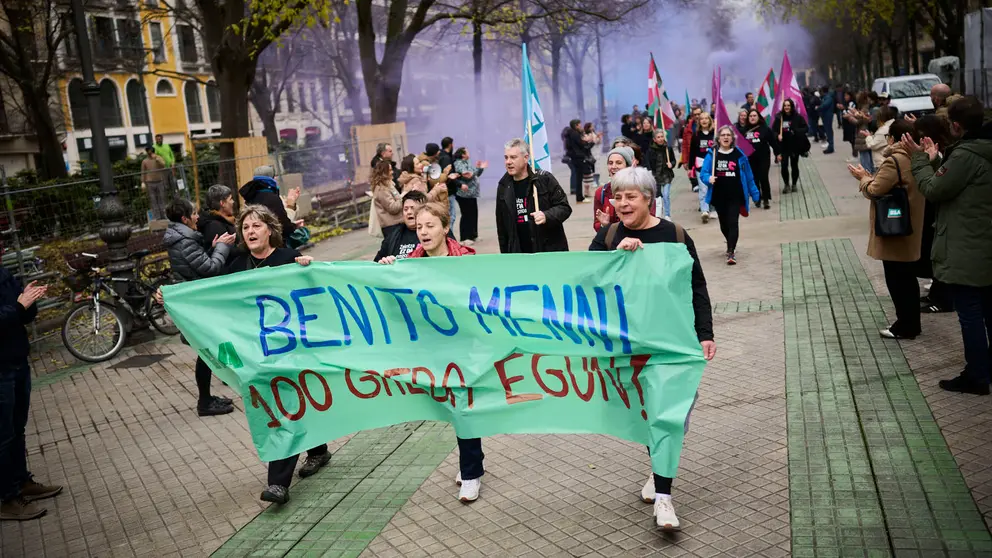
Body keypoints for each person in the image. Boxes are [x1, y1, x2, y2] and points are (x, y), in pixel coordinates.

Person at [588, 166, 715, 531]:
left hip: (672, 342)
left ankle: (660, 475)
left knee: (672, 416)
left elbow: (697, 286)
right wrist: (617, 258)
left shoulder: (675, 234)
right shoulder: (609, 235)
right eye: (618, 197)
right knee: (652, 416)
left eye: (630, 197)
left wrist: (704, 332)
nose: (623, 204)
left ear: (649, 199)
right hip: (628, 345)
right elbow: (585, 281)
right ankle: (664, 497)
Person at [224, 205, 332, 502]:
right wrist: (170, 296)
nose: (251, 232)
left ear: (270, 230)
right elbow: (215, 300)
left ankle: (278, 483)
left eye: (256, 226)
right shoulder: (236, 267)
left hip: (293, 352)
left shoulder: (288, 259)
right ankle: (319, 450)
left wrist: (311, 269)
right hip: (260, 356)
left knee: (287, 408)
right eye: (246, 228)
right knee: (293, 406)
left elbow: (316, 293)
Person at [378, 203, 485, 501]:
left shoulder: (467, 260)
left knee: (463, 404)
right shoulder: (408, 266)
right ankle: (471, 462)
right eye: (420, 227)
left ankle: (472, 472)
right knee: (450, 407)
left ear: (445, 227)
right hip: (429, 348)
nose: (423, 232)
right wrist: (388, 271)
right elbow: (387, 298)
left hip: (463, 345)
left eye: (430, 226)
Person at [904, 96, 992, 396]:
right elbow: (959, 181)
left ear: (955, 125)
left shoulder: (966, 154)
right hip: (984, 244)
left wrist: (919, 160)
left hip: (968, 249)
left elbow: (934, 189)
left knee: (970, 316)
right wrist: (938, 161)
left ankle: (978, 376)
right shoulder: (980, 149)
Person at [848, 119, 925, 340]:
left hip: (896, 229)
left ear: (892, 138)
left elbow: (875, 190)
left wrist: (862, 178)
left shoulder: (895, 161)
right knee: (908, 279)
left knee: (898, 280)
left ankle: (905, 326)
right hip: (911, 226)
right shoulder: (916, 157)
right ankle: (911, 323)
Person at [163, 198, 237, 415]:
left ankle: (207, 398)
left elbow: (196, 264)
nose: (197, 217)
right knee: (205, 353)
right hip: (196, 304)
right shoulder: (185, 241)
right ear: (185, 218)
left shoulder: (183, 238)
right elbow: (211, 268)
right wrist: (222, 247)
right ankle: (204, 402)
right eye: (193, 214)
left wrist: (212, 247)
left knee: (206, 351)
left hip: (194, 301)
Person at [0, 266, 62, 521]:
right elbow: (12, 311)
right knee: (2, 436)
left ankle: (21, 481)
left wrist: (30, 300)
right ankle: (7, 498)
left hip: (17, 361)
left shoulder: (3, 274)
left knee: (17, 429)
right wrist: (19, 306)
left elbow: (22, 314)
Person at [495, 138, 572, 254]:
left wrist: (547, 216)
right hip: (519, 254)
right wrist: (506, 256)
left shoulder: (544, 179)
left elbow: (564, 208)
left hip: (547, 250)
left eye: (513, 157)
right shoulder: (503, 186)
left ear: (526, 158)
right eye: (506, 157)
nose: (508, 162)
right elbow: (502, 227)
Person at [700, 126, 761, 265]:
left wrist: (755, 193)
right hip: (719, 195)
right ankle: (730, 241)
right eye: (723, 135)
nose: (726, 137)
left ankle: (731, 251)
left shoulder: (739, 155)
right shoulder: (712, 154)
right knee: (724, 225)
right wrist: (709, 178)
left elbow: (749, 176)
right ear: (718, 138)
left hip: (736, 195)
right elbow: (704, 173)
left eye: (728, 135)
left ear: (732, 138)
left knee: (733, 222)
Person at [912, 115, 954, 314]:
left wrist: (925, 161)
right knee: (934, 253)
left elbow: (934, 185)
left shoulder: (946, 153)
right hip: (933, 211)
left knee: (940, 256)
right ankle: (936, 293)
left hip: (941, 212)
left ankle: (943, 298)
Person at [239, 165, 301, 243]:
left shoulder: (249, 198)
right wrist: (291, 206)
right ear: (272, 178)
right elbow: (284, 227)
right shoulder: (272, 199)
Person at [374, 191, 428, 262]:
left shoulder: (430, 233)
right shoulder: (393, 236)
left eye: (412, 208)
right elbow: (376, 263)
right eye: (405, 209)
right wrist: (384, 262)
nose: (409, 212)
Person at [594, 146, 637, 231]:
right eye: (610, 163)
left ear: (628, 167)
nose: (613, 166)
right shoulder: (601, 192)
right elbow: (596, 225)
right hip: (612, 242)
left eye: (618, 163)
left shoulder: (640, 190)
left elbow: (649, 219)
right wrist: (604, 225)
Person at [771, 99, 809, 193]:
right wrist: (777, 136)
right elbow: (773, 131)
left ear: (792, 106)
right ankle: (786, 184)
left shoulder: (798, 117)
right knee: (784, 166)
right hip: (783, 146)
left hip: (794, 145)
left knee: (794, 165)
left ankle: (794, 184)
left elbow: (805, 128)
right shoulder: (779, 117)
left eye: (788, 105)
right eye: (785, 106)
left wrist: (796, 131)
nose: (786, 107)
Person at [453, 147, 487, 245]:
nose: (469, 153)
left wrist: (480, 168)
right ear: (463, 154)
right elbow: (467, 175)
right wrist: (477, 170)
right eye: (467, 151)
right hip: (464, 195)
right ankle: (464, 237)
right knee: (466, 215)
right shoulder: (458, 163)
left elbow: (475, 174)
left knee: (473, 214)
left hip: (472, 194)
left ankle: (473, 235)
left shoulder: (467, 162)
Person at [689, 111, 717, 223]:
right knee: (703, 188)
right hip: (700, 165)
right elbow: (692, 152)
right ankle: (704, 210)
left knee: (712, 187)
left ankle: (713, 208)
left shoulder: (714, 134)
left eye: (706, 118)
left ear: (710, 120)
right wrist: (691, 167)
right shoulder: (696, 136)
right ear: (699, 121)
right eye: (702, 119)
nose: (704, 120)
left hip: (713, 165)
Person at [744, 109, 775, 209]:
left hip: (763, 157)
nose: (752, 118)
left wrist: (778, 153)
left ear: (758, 117)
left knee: (763, 177)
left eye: (754, 116)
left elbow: (772, 141)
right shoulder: (744, 130)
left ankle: (766, 199)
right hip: (750, 159)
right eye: (751, 116)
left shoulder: (765, 129)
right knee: (754, 178)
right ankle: (758, 198)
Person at [646, 130, 676, 220]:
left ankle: (667, 214)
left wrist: (671, 164)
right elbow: (648, 163)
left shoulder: (668, 148)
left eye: (662, 136)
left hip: (666, 176)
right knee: (658, 197)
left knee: (666, 195)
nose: (660, 139)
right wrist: (650, 172)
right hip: (656, 177)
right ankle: (658, 215)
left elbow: (673, 160)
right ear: (654, 139)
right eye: (658, 137)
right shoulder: (651, 150)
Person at [372, 161, 407, 238]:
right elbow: (393, 208)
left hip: (396, 224)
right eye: (390, 170)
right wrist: (403, 197)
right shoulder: (382, 189)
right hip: (392, 227)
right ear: (384, 172)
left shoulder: (388, 185)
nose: (392, 172)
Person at [141, 146, 169, 220]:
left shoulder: (159, 158)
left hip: (159, 181)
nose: (150, 153)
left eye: (151, 151)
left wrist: (157, 159)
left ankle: (164, 215)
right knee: (153, 200)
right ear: (147, 152)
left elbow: (163, 165)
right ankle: (157, 217)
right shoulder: (145, 161)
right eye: (148, 151)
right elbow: (143, 172)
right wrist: (142, 182)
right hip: (150, 182)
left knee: (161, 199)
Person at [864, 106, 896, 170]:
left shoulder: (883, 130)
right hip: (892, 160)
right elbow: (882, 141)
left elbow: (872, 145)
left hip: (882, 162)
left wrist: (868, 136)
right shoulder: (894, 124)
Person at [564, 119, 588, 203]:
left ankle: (579, 195)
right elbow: (581, 144)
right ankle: (579, 197)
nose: (581, 126)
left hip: (574, 157)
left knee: (578, 176)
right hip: (578, 157)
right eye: (579, 125)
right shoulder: (575, 134)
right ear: (576, 125)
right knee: (579, 177)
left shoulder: (569, 134)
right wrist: (586, 141)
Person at [680, 106, 703, 194]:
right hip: (692, 156)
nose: (697, 116)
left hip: (704, 156)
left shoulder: (708, 126)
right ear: (692, 116)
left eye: (699, 114)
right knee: (696, 180)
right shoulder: (688, 129)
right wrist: (685, 161)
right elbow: (685, 145)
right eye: (695, 114)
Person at [853, 91, 876, 174]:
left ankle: (867, 173)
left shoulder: (864, 109)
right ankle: (870, 171)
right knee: (867, 153)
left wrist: (850, 117)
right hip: (865, 132)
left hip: (863, 133)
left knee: (864, 155)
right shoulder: (866, 108)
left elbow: (858, 122)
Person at [439, 137, 459, 225]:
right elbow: (449, 175)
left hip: (447, 189)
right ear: (450, 145)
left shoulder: (443, 156)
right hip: (449, 191)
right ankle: (448, 236)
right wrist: (459, 184)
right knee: (452, 216)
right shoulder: (446, 158)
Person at [581, 123, 602, 198]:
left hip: (596, 152)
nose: (593, 127)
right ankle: (593, 182)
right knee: (592, 168)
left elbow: (597, 141)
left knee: (597, 167)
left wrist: (599, 137)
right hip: (591, 153)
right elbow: (590, 143)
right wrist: (594, 139)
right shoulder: (585, 134)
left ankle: (597, 181)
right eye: (591, 126)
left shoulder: (593, 133)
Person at [818, 86, 836, 154]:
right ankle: (830, 145)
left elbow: (824, 105)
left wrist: (818, 108)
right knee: (827, 131)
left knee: (829, 131)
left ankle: (831, 147)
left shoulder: (828, 98)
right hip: (825, 116)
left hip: (827, 116)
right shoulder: (825, 97)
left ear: (823, 91)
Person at [841, 91, 858, 160]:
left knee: (853, 139)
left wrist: (846, 115)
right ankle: (854, 154)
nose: (845, 97)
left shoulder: (852, 103)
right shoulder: (846, 103)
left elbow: (852, 113)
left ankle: (855, 155)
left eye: (846, 96)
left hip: (851, 123)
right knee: (851, 140)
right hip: (847, 123)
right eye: (844, 96)